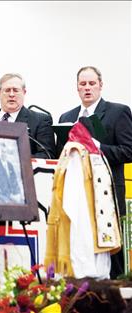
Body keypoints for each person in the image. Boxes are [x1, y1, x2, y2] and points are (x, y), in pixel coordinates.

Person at [58, 66, 132, 279]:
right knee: (80, 245)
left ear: (101, 85)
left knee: (110, 248)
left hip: (107, 193)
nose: (87, 88)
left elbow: (128, 151)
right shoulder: (67, 116)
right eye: (83, 84)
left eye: (92, 83)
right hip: (76, 194)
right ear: (77, 88)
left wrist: (98, 146)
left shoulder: (118, 112)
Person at [0, 73, 55, 159]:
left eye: (16, 90)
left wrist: (14, 160)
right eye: (7, 90)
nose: (11, 94)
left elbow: (47, 156)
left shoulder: (41, 120)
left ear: (24, 92)